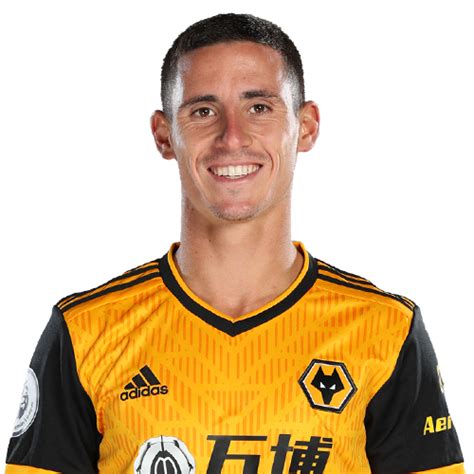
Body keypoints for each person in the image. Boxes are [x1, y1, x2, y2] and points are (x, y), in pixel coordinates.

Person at [5, 12, 464, 474]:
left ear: (306, 126)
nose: (232, 137)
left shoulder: (384, 331)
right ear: (165, 135)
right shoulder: (86, 332)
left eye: (259, 107)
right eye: (203, 111)